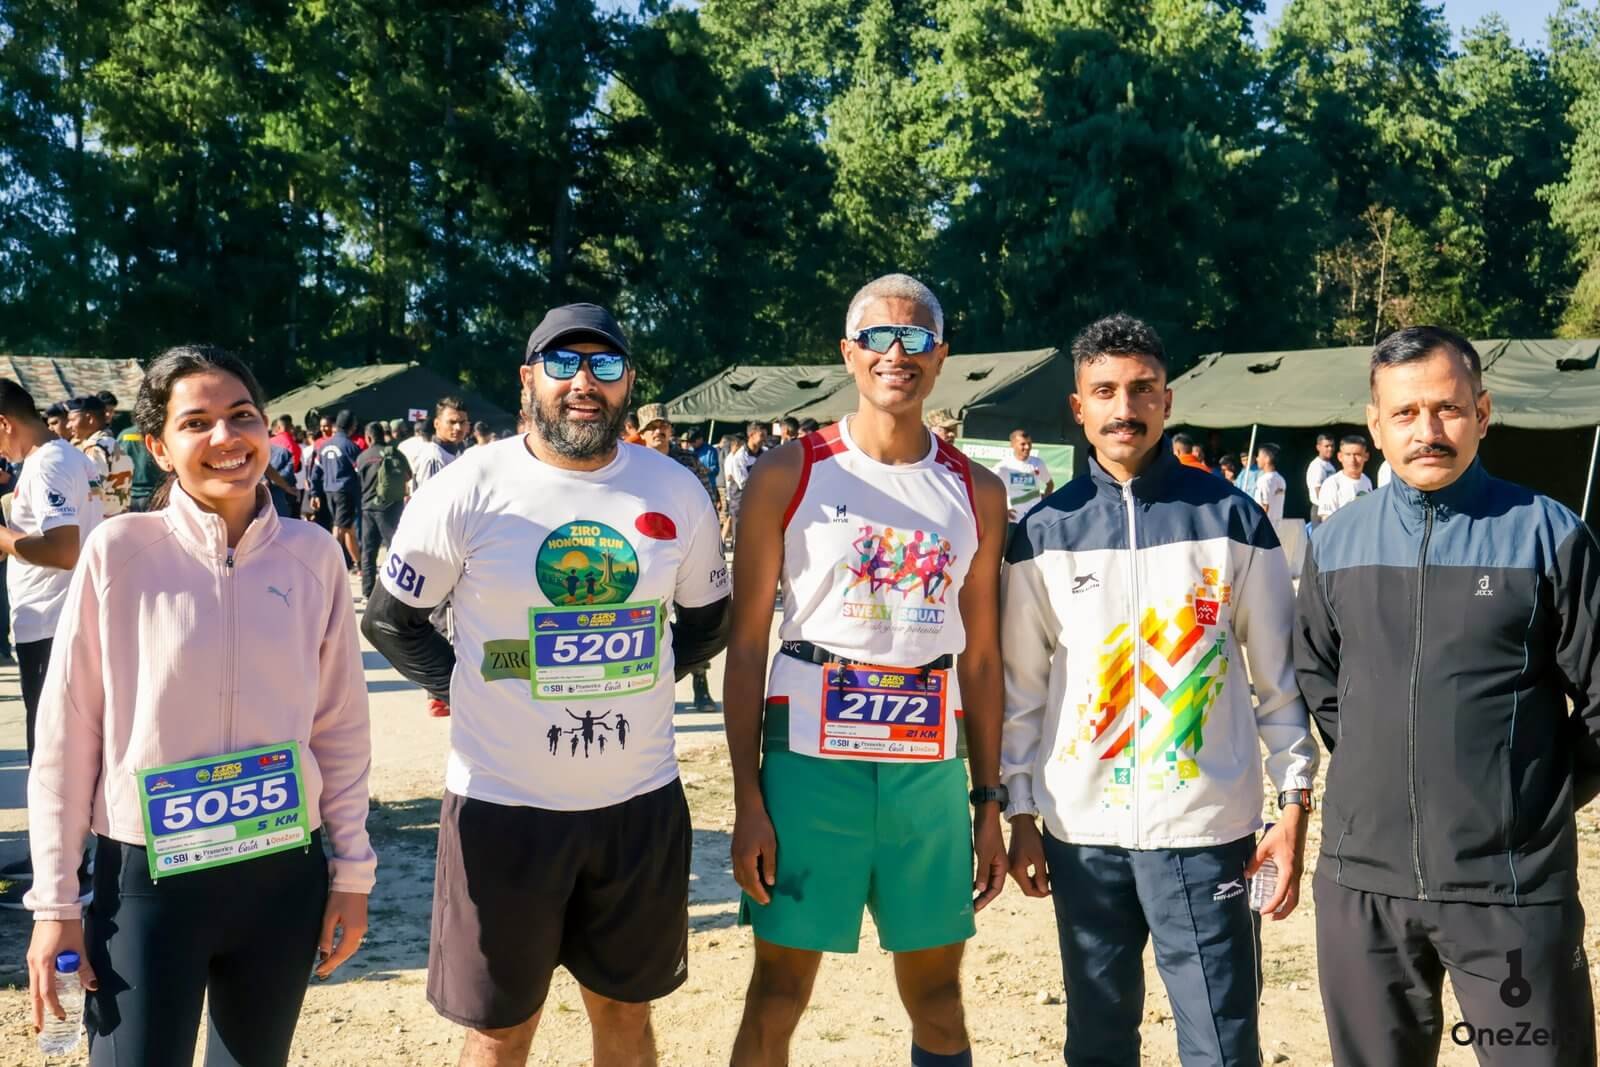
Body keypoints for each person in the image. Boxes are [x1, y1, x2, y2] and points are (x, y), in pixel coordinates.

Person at [363, 302, 730, 1067]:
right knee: (499, 1032)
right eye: (563, 363)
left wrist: (639, 680)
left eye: (604, 364)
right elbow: (391, 619)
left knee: (625, 1014)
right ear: (528, 378)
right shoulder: (469, 486)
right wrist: (465, 684)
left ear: (629, 381)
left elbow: (708, 622)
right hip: (502, 809)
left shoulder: (674, 489)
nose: (584, 382)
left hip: (637, 804)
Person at [23, 344, 373, 1065]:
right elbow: (66, 735)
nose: (225, 436)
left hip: (282, 874)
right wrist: (55, 903)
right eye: (196, 422)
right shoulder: (119, 551)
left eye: (242, 415)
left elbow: (339, 726)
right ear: (158, 446)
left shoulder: (313, 555)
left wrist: (351, 872)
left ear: (267, 426)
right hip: (148, 883)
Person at [1003, 313, 1318, 1067]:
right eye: (1105, 391)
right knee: (1098, 1041)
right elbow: (1022, 691)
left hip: (1207, 832)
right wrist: (1019, 811)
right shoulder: (1042, 531)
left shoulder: (1233, 518)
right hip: (1082, 836)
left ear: (1168, 400)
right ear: (1077, 407)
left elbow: (1279, 681)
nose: (1126, 407)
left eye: (1143, 388)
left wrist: (1294, 801)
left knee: (1222, 1043)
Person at [1295, 325, 1599, 1067]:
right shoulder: (1335, 544)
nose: (1427, 431)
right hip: (1363, 888)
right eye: (1404, 412)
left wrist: (1527, 801)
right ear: (1375, 425)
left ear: (1482, 413)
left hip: (1511, 891)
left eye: (1448, 409)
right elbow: (1323, 683)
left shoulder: (1549, 536)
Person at [725, 273, 1008, 1067]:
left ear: (941, 356)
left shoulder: (978, 490)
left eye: (916, 338)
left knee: (940, 999)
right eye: (878, 337)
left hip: (926, 773)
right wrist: (747, 798)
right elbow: (745, 646)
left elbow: (982, 657)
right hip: (809, 768)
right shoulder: (789, 471)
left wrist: (988, 801)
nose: (897, 353)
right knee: (777, 993)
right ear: (849, 353)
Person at [0, 380, 101, 902]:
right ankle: (55, 858)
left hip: (51, 623)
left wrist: (3, 537)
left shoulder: (47, 464)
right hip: (58, 619)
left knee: (53, 750)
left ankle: (66, 874)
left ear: (4, 424)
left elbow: (64, 550)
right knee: (59, 747)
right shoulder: (66, 458)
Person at [637, 403, 722, 714]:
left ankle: (700, 683)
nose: (658, 432)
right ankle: (649, 685)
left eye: (663, 426)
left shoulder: (686, 461)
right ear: (641, 433)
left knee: (695, 618)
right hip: (647, 550)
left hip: (685, 546)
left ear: (671, 429)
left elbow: (707, 499)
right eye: (652, 428)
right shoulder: (630, 462)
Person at [355, 421, 410, 599]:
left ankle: (368, 592)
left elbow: (358, 482)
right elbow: (408, 475)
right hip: (391, 507)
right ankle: (394, 589)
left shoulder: (362, 457)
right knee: (394, 549)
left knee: (368, 551)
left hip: (368, 508)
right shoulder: (395, 453)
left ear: (368, 437)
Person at [310, 410, 362, 570]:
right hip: (345, 492)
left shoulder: (324, 446)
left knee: (348, 528)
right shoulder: (350, 447)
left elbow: (316, 472)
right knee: (339, 528)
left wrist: (314, 493)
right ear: (352, 426)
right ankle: (327, 564)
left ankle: (359, 564)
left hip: (329, 491)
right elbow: (360, 471)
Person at [67, 394, 134, 518]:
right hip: (118, 519)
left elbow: (91, 492)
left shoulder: (96, 448)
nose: (68, 426)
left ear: (89, 419)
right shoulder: (111, 443)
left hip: (99, 521)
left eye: (72, 420)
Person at [994, 427, 1054, 523]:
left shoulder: (1037, 463)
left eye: (1029, 443)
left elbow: (1050, 484)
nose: (1027, 447)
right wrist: (1003, 509)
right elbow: (989, 489)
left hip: (1034, 518)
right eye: (1023, 444)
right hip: (1013, 520)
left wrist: (1043, 504)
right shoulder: (1003, 466)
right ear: (1012, 445)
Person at [407, 397, 469, 489]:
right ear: (437, 424)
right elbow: (429, 495)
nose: (458, 427)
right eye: (452, 422)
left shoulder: (458, 452)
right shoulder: (434, 458)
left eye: (462, 422)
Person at [724, 420, 768, 539]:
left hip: (760, 502)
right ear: (751, 435)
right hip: (741, 503)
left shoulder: (766, 453)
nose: (764, 439)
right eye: (762, 435)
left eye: (766, 435)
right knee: (741, 539)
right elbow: (744, 484)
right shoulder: (739, 457)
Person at [1314, 433, 1372, 520]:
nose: (1352, 460)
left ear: (1366, 456)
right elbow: (1328, 522)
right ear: (1340, 457)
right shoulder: (1331, 484)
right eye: (1348, 454)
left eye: (1357, 455)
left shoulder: (1366, 481)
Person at [1251, 443, 1288, 533]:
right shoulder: (1281, 479)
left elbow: (1265, 507)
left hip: (1264, 529)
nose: (1257, 459)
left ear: (1267, 459)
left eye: (1259, 456)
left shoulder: (1264, 480)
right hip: (1277, 528)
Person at [1304, 432, 1336, 522]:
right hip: (1321, 510)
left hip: (1330, 509)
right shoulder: (1317, 465)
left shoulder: (1329, 465)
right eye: (1327, 446)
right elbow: (1318, 490)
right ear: (1318, 447)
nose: (1330, 449)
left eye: (1332, 446)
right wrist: (1325, 510)